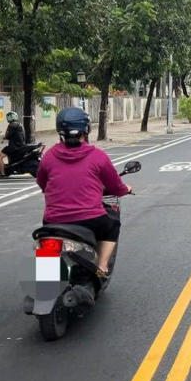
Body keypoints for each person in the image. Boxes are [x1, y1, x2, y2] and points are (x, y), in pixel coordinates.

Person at [35, 107, 131, 276]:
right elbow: (116, 187)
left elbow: (42, 184)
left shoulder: (48, 157)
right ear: (86, 130)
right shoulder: (98, 156)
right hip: (91, 219)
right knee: (113, 225)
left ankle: (45, 278)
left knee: (47, 241)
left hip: (53, 220)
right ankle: (101, 267)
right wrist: (126, 189)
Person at [0, 111, 27, 176]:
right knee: (7, 154)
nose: (10, 118)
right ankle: (9, 169)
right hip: (20, 145)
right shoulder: (19, 124)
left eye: (10, 117)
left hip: (14, 146)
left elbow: (7, 136)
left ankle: (2, 173)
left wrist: (2, 137)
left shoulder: (11, 125)